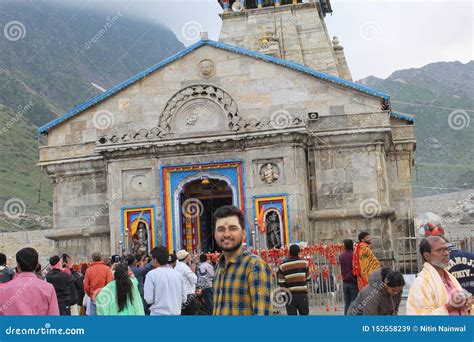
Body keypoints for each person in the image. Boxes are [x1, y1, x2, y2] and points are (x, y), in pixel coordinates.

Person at [212, 205, 272, 315]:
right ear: (215, 234)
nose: (226, 234)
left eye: (233, 228)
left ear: (243, 233)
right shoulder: (218, 267)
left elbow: (262, 313)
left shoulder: (255, 266)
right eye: (220, 229)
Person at [407, 236, 473, 315]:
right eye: (439, 250)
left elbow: (463, 307)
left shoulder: (450, 278)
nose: (446, 253)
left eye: (446, 249)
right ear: (427, 256)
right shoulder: (421, 283)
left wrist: (467, 303)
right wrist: (449, 307)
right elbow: (420, 319)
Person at [0, 248, 59, 315]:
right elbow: (54, 317)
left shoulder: (3, 290)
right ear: (37, 265)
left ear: (18, 266)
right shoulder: (48, 288)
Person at [144, 246, 186, 315]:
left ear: (155, 259)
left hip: (158, 313)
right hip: (175, 313)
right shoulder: (178, 274)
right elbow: (184, 298)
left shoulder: (151, 274)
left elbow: (149, 299)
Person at [277, 244, 311, 315]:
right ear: (299, 252)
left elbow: (281, 283)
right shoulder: (305, 263)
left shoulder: (283, 266)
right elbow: (308, 278)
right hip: (302, 295)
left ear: (289, 252)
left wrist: (284, 296)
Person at [175, 249, 199, 315]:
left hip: (180, 295)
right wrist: (193, 271)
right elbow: (194, 279)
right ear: (186, 257)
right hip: (188, 295)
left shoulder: (177, 266)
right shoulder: (184, 267)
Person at [339, 239, 358, 314]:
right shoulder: (354, 255)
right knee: (354, 303)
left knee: (347, 303)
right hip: (354, 282)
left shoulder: (341, 256)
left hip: (345, 282)